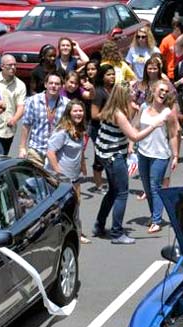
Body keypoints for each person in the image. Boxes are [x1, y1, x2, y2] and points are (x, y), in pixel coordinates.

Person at [92, 83, 165, 245]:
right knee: (122, 193)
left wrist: (137, 112)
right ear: (123, 96)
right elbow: (135, 136)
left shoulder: (110, 109)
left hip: (105, 154)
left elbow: (131, 124)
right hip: (114, 156)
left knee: (112, 191)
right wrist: (154, 126)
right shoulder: (119, 114)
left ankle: (99, 225)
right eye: (131, 93)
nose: (135, 94)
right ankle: (117, 233)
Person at [133, 81, 179, 234]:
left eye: (166, 91)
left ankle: (157, 220)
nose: (163, 93)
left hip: (160, 155)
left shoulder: (168, 112)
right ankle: (154, 215)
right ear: (153, 91)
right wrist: (130, 146)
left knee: (155, 187)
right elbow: (136, 127)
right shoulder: (144, 108)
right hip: (143, 153)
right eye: (161, 90)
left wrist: (175, 155)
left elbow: (173, 135)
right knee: (147, 187)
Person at [46, 99, 91, 244]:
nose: (79, 113)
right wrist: (59, 173)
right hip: (61, 179)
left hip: (74, 176)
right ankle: (55, 236)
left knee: (76, 204)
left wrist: (83, 165)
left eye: (81, 111)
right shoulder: (62, 131)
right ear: (69, 113)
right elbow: (51, 152)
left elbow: (80, 150)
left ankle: (77, 233)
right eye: (75, 111)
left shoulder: (80, 129)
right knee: (60, 208)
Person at [19, 72, 70, 167]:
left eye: (57, 84)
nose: (53, 86)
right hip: (36, 150)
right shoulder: (33, 101)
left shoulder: (67, 104)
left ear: (61, 86)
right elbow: (26, 125)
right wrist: (22, 148)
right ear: (45, 84)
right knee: (34, 180)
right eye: (51, 83)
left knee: (52, 181)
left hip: (57, 152)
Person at [0, 54, 26, 155]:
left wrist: (14, 119)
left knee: (4, 155)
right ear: (2, 66)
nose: (13, 68)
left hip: (9, 129)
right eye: (9, 65)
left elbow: (21, 106)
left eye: (14, 65)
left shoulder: (20, 85)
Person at [90, 64, 116, 193]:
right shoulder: (99, 92)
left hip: (112, 128)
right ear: (102, 76)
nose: (112, 77)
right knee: (99, 156)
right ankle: (99, 185)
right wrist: (110, 113)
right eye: (108, 74)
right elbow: (94, 115)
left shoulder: (115, 90)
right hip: (98, 129)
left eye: (113, 74)